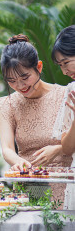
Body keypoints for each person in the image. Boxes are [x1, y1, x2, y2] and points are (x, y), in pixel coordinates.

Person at [0, 34, 71, 204]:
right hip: (28, 184)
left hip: (66, 184)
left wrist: (58, 150)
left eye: (25, 77)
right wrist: (19, 162)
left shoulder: (66, 95)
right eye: (12, 81)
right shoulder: (6, 105)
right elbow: (7, 149)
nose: (20, 86)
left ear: (38, 67)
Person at [51, 25, 75, 209]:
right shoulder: (72, 92)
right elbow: (67, 148)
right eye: (60, 66)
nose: (64, 71)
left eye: (66, 62)